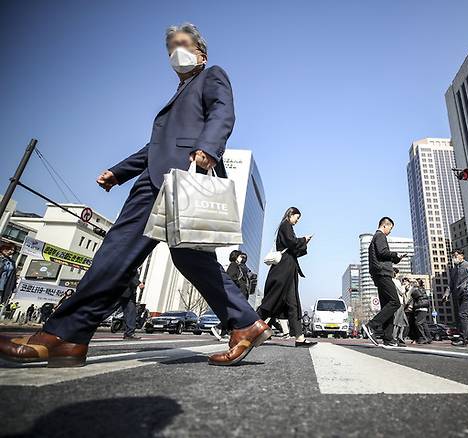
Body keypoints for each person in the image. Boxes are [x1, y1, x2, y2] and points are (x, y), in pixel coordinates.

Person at [0, 23, 271, 367]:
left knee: (117, 253)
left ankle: (65, 334)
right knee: (190, 259)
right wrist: (119, 171)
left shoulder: (211, 76)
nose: (175, 52)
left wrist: (208, 148)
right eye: (170, 47)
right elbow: (154, 148)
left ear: (201, 53)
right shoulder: (180, 93)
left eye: (182, 44)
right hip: (166, 176)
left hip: (173, 181)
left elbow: (222, 111)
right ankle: (246, 324)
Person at [257, 207, 316, 347]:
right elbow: (291, 242)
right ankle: (247, 325)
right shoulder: (285, 225)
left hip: (287, 271)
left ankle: (299, 337)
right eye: (297, 217)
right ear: (291, 214)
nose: (297, 220)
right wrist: (303, 239)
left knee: (292, 303)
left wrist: (304, 243)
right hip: (283, 271)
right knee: (271, 302)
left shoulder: (287, 226)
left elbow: (293, 249)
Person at [363, 217, 405, 347]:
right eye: (390, 228)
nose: (390, 232)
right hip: (383, 274)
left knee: (387, 305)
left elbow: (383, 256)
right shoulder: (380, 236)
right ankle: (371, 326)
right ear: (385, 225)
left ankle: (388, 338)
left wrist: (396, 258)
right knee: (395, 302)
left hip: (379, 273)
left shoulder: (376, 238)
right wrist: (395, 254)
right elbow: (383, 252)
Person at [442, 250, 468, 348]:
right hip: (459, 295)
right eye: (452, 256)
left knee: (462, 314)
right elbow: (451, 284)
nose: (454, 258)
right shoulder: (453, 270)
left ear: (462, 255)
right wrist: (446, 294)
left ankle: (463, 339)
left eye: (456, 256)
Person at [119, 270, 142, 340]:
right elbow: (129, 274)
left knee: (129, 313)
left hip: (127, 293)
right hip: (126, 293)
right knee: (131, 313)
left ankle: (128, 333)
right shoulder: (132, 263)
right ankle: (129, 333)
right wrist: (138, 283)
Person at [410, 280, 432, 344]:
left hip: (422, 308)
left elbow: (414, 295)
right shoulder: (418, 289)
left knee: (418, 323)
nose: (414, 283)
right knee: (424, 324)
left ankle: (423, 338)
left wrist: (412, 288)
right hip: (419, 308)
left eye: (415, 282)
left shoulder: (420, 290)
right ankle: (429, 338)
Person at [391, 269, 409, 347]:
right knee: (398, 322)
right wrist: (404, 286)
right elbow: (401, 291)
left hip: (396, 303)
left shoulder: (390, 281)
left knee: (402, 322)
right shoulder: (396, 281)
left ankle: (399, 337)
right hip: (399, 304)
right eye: (397, 273)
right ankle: (395, 338)